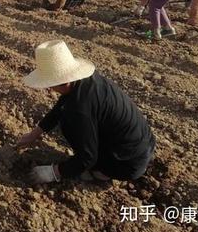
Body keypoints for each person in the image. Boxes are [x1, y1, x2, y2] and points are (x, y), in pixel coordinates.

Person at [16, 40, 155, 183]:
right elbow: (60, 107)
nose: (48, 88)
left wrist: (54, 172)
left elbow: (88, 157)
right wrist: (34, 134)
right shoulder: (86, 81)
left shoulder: (80, 108)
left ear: (63, 82)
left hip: (128, 164)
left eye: (49, 84)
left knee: (70, 126)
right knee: (70, 118)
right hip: (144, 145)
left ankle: (102, 171)